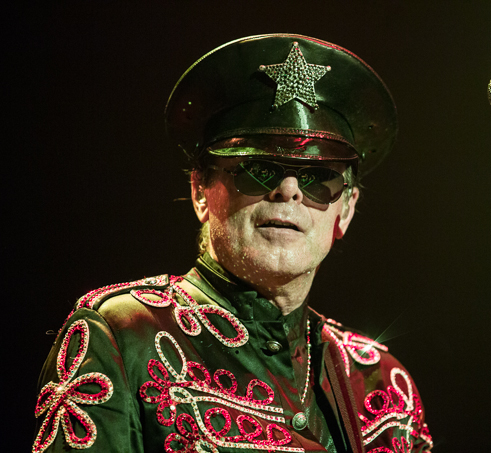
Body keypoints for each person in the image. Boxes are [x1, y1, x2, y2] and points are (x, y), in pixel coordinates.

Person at [33, 34, 433, 453]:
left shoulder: (385, 388)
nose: (289, 191)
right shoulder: (122, 334)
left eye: (319, 178)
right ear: (200, 192)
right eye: (258, 169)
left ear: (346, 210)